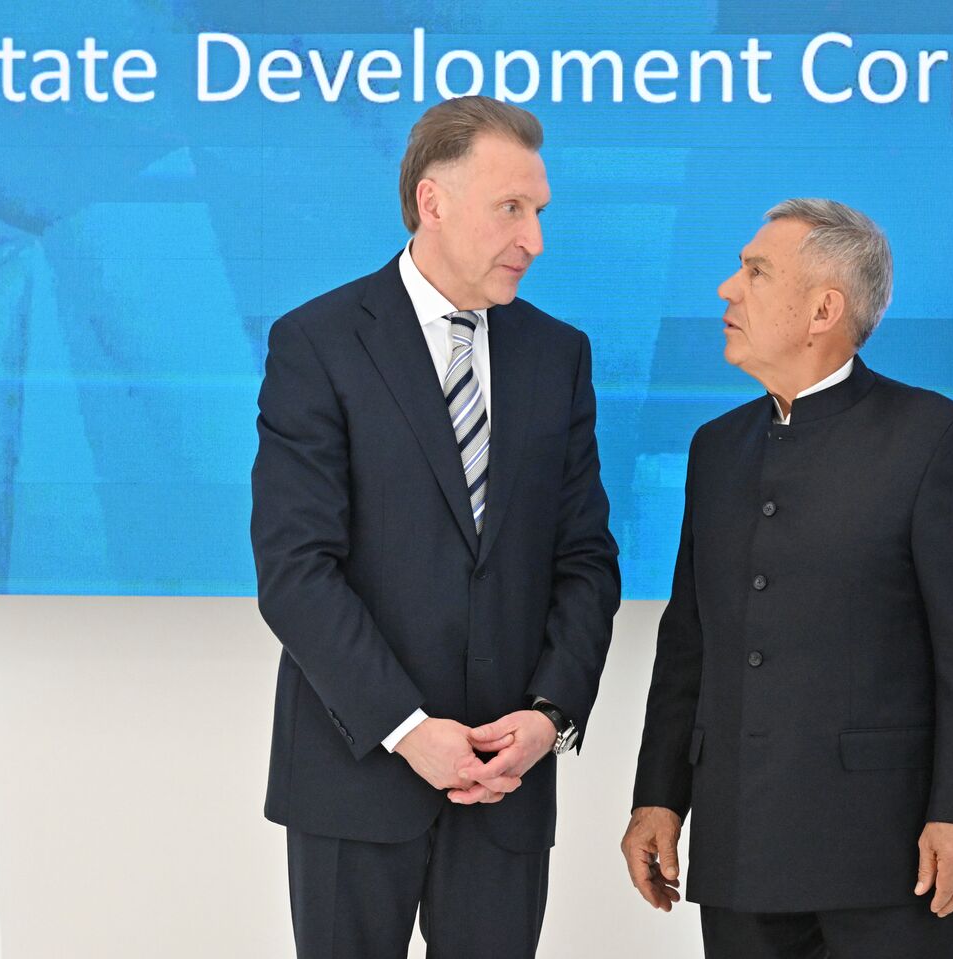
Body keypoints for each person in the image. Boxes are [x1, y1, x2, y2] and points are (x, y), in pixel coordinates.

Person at [251, 95, 620, 959]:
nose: (534, 239)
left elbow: (586, 560)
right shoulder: (318, 342)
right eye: (511, 208)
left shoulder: (558, 354)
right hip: (355, 776)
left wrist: (548, 716)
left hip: (505, 782)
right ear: (433, 202)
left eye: (539, 211)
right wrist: (408, 729)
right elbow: (296, 569)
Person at [622, 199, 953, 958]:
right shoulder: (716, 449)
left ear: (824, 310)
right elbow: (688, 643)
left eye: (756, 272)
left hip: (891, 855)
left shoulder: (937, 440)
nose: (727, 289)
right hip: (739, 850)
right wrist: (658, 797)